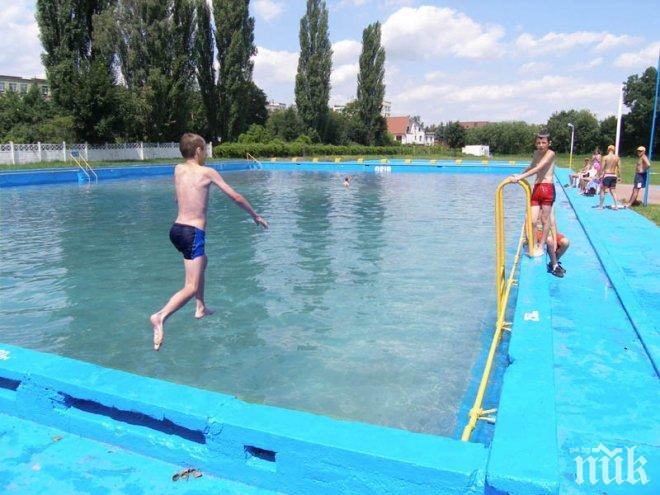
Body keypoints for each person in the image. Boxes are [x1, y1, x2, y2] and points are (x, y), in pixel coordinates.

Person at [150, 133, 268, 351]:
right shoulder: (207, 172)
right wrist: (255, 215)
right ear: (197, 151)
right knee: (190, 286)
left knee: (203, 261)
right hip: (193, 232)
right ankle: (160, 316)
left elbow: (178, 197)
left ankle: (200, 307)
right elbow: (236, 197)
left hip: (176, 230)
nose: (205, 153)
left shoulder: (178, 169)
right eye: (204, 149)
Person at [511, 132, 556, 260]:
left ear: (549, 143)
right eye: (538, 143)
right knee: (532, 220)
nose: (540, 145)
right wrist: (519, 174)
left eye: (543, 143)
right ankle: (534, 243)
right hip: (537, 188)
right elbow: (532, 166)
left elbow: (539, 168)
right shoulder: (536, 153)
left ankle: (541, 245)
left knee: (544, 220)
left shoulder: (551, 154)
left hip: (547, 188)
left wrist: (521, 177)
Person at [536, 208, 570, 278]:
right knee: (549, 239)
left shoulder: (549, 204)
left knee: (565, 242)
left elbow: (553, 224)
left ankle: (553, 262)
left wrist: (555, 241)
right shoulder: (534, 204)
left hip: (548, 231)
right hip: (538, 232)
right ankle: (555, 265)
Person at [598, 144, 621, 209]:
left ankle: (601, 206)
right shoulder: (617, 158)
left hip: (607, 175)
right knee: (613, 190)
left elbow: (602, 168)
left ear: (608, 150)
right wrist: (619, 177)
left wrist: (599, 175)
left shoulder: (605, 157)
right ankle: (616, 206)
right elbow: (619, 168)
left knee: (602, 190)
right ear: (613, 150)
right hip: (614, 175)